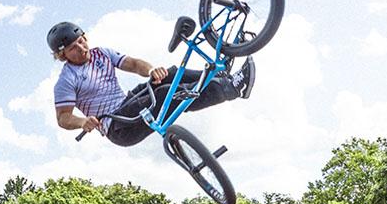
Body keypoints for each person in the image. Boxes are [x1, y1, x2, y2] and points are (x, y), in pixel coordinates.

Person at [48, 21, 255, 146]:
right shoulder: (66, 81)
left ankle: (220, 79)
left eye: (82, 41)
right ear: (63, 56)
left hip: (127, 102)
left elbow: (134, 64)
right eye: (74, 48)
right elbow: (63, 118)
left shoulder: (101, 53)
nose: (82, 48)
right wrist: (82, 122)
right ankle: (231, 89)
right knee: (166, 94)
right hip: (118, 126)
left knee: (168, 75)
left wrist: (151, 70)